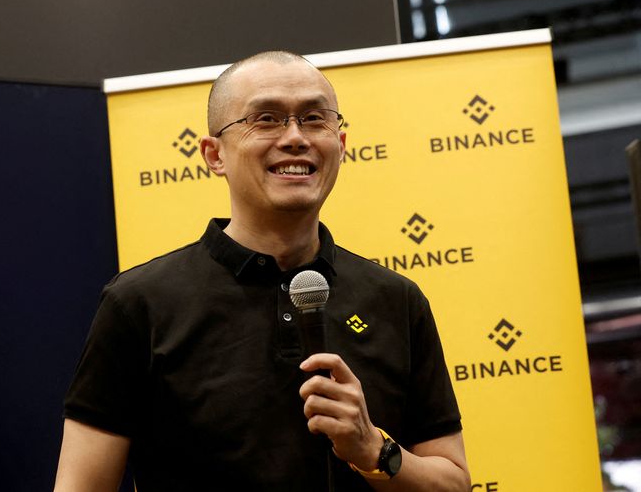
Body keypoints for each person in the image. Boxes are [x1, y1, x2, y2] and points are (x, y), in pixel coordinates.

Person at [54, 51, 470, 491]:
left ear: (341, 147)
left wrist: (373, 450)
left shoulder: (396, 299)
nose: (295, 137)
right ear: (214, 155)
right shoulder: (140, 303)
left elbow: (453, 483)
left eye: (314, 119)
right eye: (267, 119)